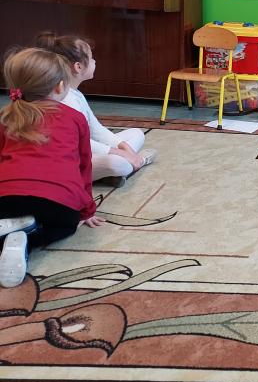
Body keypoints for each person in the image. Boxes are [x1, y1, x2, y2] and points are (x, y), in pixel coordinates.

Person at [0, 48, 104, 288]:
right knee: (66, 226)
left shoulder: (5, 117)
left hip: (6, 198)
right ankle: (29, 238)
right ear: (60, 87)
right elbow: (84, 166)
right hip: (58, 202)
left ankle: (13, 230)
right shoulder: (74, 117)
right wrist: (87, 211)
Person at [36, 32, 155, 188]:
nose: (94, 61)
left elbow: (95, 129)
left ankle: (114, 171)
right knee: (117, 163)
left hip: (87, 150)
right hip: (72, 158)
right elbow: (79, 143)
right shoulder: (65, 99)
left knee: (136, 134)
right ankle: (131, 164)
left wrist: (122, 146)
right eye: (91, 58)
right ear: (78, 67)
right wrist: (118, 152)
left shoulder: (76, 94)